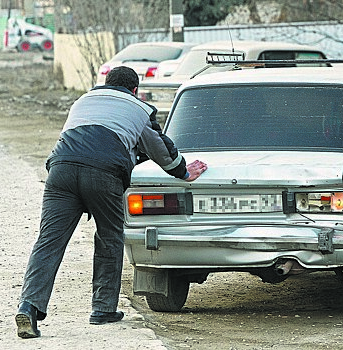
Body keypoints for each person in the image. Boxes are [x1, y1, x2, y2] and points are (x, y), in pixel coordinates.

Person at [15, 66, 207, 339]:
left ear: (105, 83)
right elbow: (160, 149)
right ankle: (103, 309)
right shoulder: (138, 108)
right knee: (109, 237)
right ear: (134, 90)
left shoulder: (84, 100)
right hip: (103, 173)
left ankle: (29, 306)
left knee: (49, 241)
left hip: (61, 168)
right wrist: (184, 172)